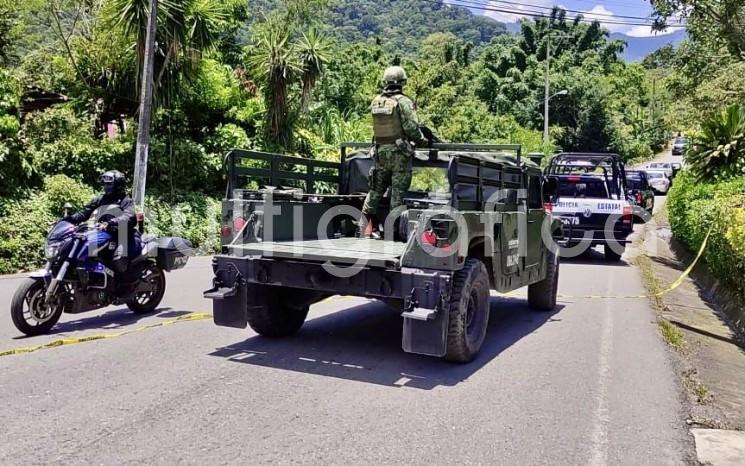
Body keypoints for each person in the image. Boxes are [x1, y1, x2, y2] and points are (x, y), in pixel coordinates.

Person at [362, 65, 428, 238]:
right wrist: (422, 141)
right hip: (399, 154)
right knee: (397, 194)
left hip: (379, 152)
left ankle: (365, 229)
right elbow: (411, 127)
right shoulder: (403, 101)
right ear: (402, 82)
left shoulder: (376, 101)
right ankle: (391, 233)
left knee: (375, 190)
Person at [65, 170, 140, 275]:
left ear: (118, 185)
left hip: (123, 236)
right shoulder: (101, 199)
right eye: (105, 183)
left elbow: (129, 216)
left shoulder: (125, 200)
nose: (105, 186)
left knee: (119, 262)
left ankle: (126, 286)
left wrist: (111, 222)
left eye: (109, 184)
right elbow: (84, 213)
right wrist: (67, 220)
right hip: (104, 233)